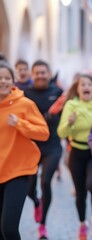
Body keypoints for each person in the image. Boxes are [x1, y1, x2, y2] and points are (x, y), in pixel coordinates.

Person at [0, 61, 49, 240]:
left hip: (18, 172)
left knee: (9, 229)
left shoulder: (24, 104)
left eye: (6, 78)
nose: (3, 82)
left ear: (13, 82)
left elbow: (44, 133)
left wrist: (20, 124)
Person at [57, 74, 92, 239]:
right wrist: (69, 122)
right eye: (82, 84)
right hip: (76, 152)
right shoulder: (71, 105)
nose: (86, 87)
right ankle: (82, 224)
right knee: (80, 192)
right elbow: (61, 132)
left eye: (89, 84)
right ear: (77, 89)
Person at [24, 60, 63, 239]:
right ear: (32, 75)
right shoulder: (25, 94)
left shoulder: (58, 93)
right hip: (31, 147)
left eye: (43, 72)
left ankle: (43, 225)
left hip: (52, 146)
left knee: (46, 182)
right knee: (29, 189)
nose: (40, 76)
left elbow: (62, 117)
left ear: (49, 74)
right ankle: (37, 202)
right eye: (37, 73)